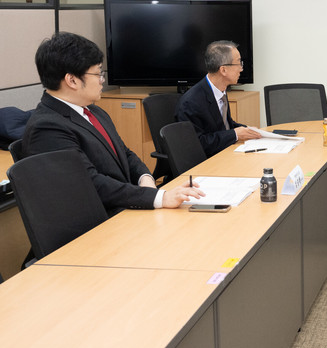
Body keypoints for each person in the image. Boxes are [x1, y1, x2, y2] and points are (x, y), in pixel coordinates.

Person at [22, 32, 203, 216]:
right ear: (72, 80)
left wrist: (145, 179)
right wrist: (158, 198)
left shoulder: (94, 111)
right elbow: (91, 183)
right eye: (97, 73)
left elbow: (125, 153)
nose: (102, 80)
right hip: (99, 221)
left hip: (125, 206)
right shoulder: (47, 127)